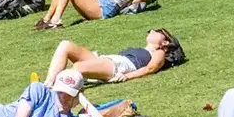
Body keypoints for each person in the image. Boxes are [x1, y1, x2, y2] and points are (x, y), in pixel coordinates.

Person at [55, 29, 185, 84]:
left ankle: (58, 84)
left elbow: (150, 68)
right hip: (109, 60)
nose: (153, 30)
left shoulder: (159, 52)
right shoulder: (143, 49)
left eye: (158, 31)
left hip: (120, 66)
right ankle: (49, 83)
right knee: (65, 45)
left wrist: (127, 76)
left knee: (78, 67)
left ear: (165, 43)